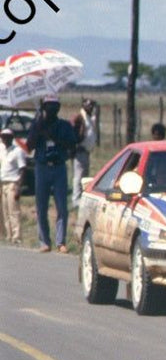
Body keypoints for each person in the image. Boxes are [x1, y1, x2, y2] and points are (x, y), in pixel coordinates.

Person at [26, 96, 77, 253]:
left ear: (59, 108)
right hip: (42, 168)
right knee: (41, 206)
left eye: (54, 106)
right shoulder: (37, 125)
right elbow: (29, 146)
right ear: (43, 107)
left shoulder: (64, 125)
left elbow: (72, 144)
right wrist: (38, 129)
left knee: (62, 206)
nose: (52, 109)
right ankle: (44, 241)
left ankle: (60, 241)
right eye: (48, 106)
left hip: (59, 167)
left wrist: (55, 138)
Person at [72, 98, 99, 203]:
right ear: (84, 105)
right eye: (89, 105)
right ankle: (76, 199)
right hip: (80, 150)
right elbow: (75, 133)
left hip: (86, 151)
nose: (91, 107)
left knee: (85, 175)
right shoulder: (80, 117)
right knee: (79, 176)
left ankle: (81, 197)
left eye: (92, 106)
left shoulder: (88, 117)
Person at [1, 127, 25, 244]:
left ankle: (17, 236)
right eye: (3, 137)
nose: (4, 139)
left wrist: (18, 187)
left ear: (11, 138)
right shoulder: (1, 150)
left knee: (13, 211)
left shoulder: (17, 151)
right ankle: (8, 235)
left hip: (12, 183)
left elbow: (22, 169)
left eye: (7, 137)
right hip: (2, 183)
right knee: (5, 211)